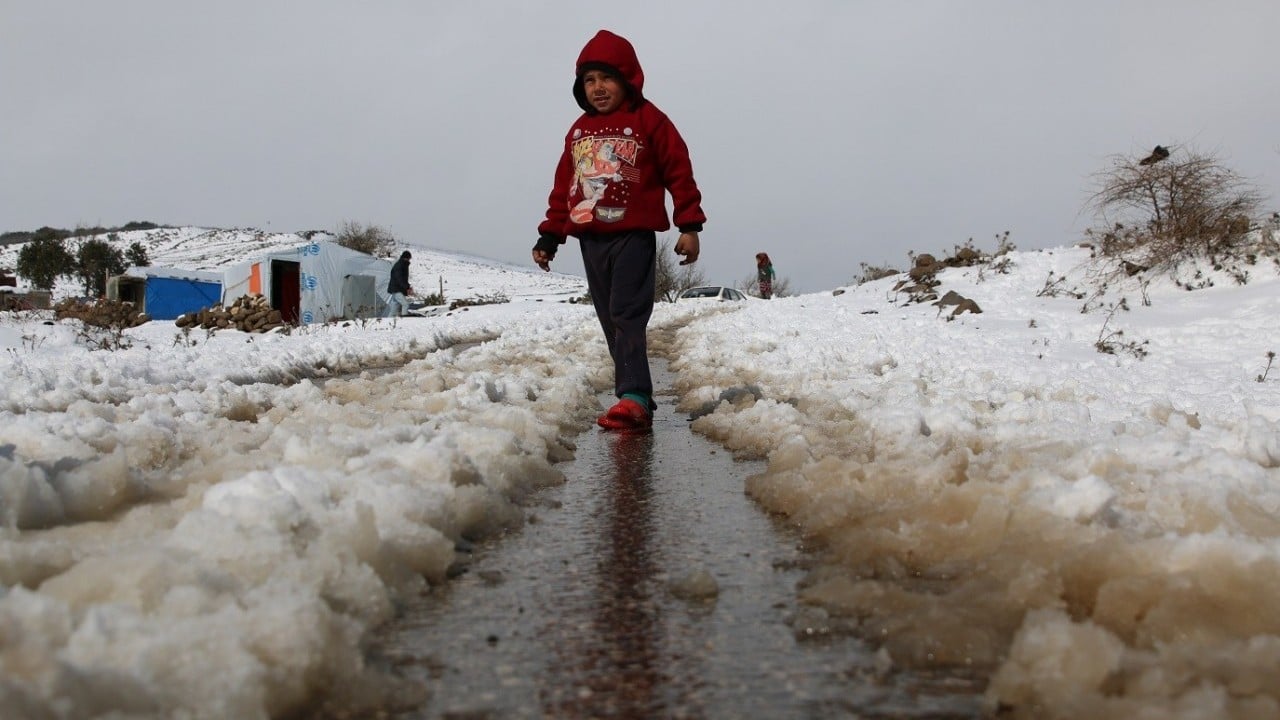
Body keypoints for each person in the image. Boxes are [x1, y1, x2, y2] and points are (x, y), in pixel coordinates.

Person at [533, 29, 705, 431]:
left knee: (627, 312)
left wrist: (689, 224)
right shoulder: (578, 131)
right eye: (589, 81)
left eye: (607, 78)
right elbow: (565, 187)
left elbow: (678, 170)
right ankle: (635, 393)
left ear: (628, 78)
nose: (598, 88)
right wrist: (550, 235)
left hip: (633, 233)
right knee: (609, 316)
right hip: (590, 237)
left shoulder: (649, 120)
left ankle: (634, 397)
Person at [386, 250, 413, 317]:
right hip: (396, 289)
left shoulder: (402, 264)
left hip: (396, 288)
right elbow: (400, 278)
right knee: (405, 304)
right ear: (406, 257)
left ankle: (388, 321)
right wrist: (407, 287)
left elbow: (403, 278)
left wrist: (407, 286)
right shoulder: (400, 265)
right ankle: (405, 318)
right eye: (409, 258)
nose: (409, 260)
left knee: (394, 307)